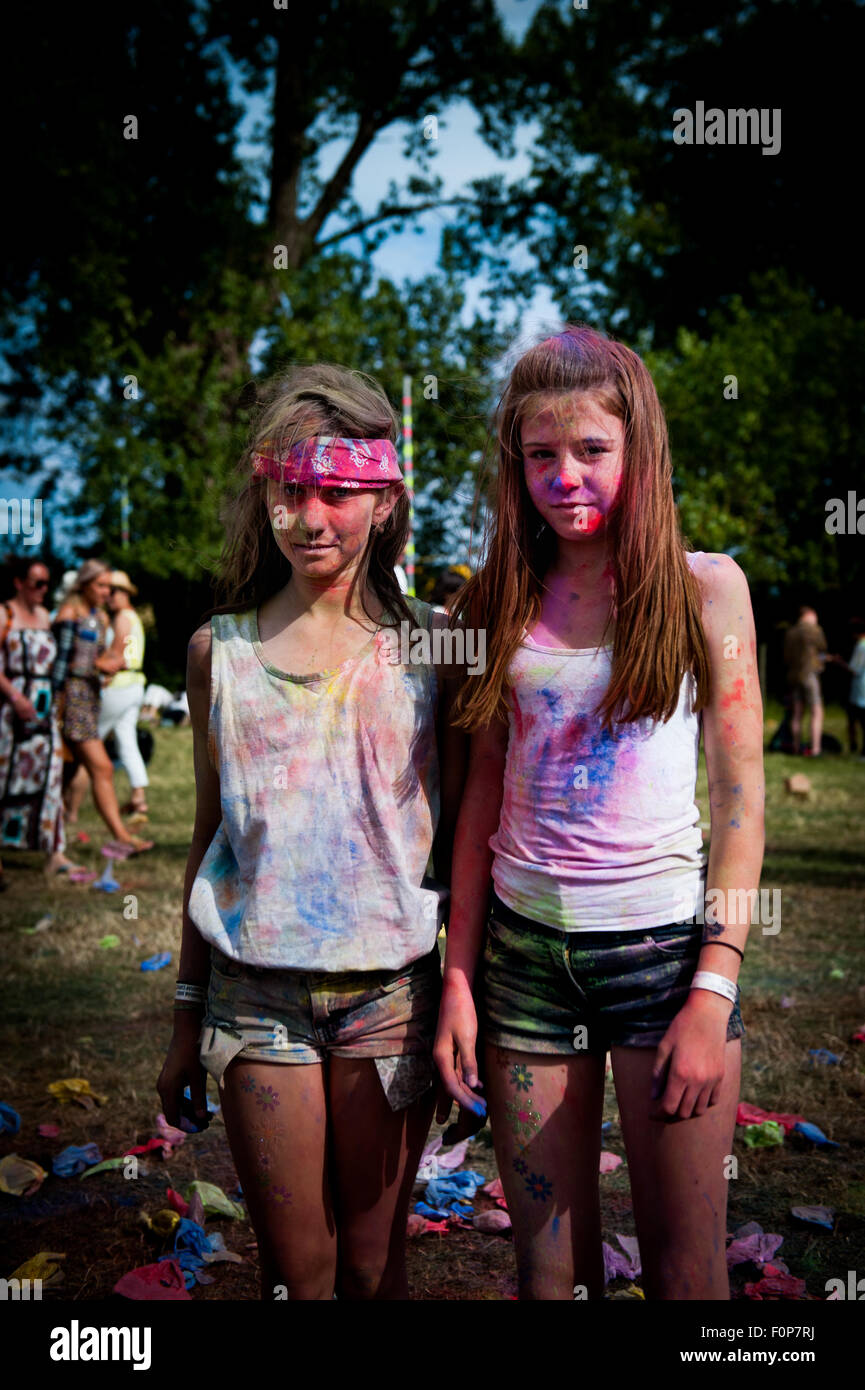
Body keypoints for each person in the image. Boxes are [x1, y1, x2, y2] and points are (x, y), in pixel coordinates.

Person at [434, 325, 764, 1301]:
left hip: (662, 959)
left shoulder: (707, 591)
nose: (564, 476)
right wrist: (459, 975)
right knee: (546, 1274)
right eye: (540, 455)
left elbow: (742, 808)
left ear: (639, 449)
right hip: (523, 961)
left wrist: (712, 990)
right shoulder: (494, 597)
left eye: (590, 451)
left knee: (687, 1272)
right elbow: (477, 803)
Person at [158, 364, 467, 1300]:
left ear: (385, 498)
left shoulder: (435, 646)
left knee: (374, 1269)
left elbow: (464, 841)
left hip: (393, 1005)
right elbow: (211, 836)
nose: (312, 518)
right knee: (298, 1273)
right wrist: (182, 1019)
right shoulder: (221, 652)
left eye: (337, 492)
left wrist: (463, 999)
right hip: (253, 1005)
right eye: (291, 492)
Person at [53, 559, 153, 854]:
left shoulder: (101, 617)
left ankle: (51, 835)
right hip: (71, 701)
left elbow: (97, 658)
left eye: (109, 587)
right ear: (84, 584)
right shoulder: (69, 614)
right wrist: (100, 664)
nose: (106, 592)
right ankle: (122, 837)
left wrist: (107, 666)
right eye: (101, 585)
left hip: (90, 698)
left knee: (66, 771)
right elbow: (59, 661)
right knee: (102, 767)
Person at [0, 557, 81, 887]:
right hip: (11, 705)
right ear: (19, 583)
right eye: (37, 583)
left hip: (45, 709)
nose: (43, 589)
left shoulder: (46, 617)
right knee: (4, 778)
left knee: (49, 777)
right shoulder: (4, 614)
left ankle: (53, 852)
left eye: (47, 583)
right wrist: (16, 698)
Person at [100, 570, 150, 817]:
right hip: (135, 683)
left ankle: (68, 805)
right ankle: (139, 798)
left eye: (113, 591)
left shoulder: (121, 618)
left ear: (124, 593)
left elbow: (116, 656)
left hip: (119, 683)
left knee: (88, 742)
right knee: (126, 741)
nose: (109, 596)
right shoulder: (134, 617)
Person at [783, 606, 828, 756]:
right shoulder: (814, 630)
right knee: (817, 710)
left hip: (794, 675)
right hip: (809, 675)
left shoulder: (790, 632)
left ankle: (795, 747)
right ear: (809, 615)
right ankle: (815, 749)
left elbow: (786, 657)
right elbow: (823, 647)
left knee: (797, 713)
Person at [829, 616, 865, 759]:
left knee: (859, 722)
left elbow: (854, 669)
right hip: (860, 691)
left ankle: (859, 750)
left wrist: (839, 662)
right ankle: (855, 747)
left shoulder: (862, 646)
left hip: (861, 691)